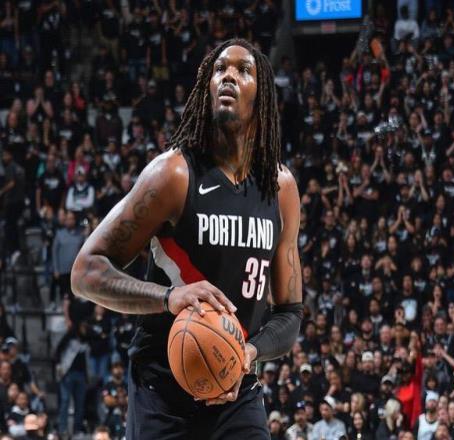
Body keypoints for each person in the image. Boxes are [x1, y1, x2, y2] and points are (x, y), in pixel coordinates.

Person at [71, 38, 303, 439]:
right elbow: (85, 272)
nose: (228, 76)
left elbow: (290, 313)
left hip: (236, 390)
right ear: (206, 87)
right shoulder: (173, 175)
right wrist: (168, 297)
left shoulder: (280, 188)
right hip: (162, 394)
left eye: (243, 70)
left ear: (263, 95)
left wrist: (247, 353)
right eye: (219, 69)